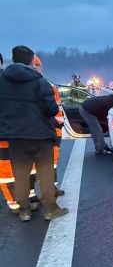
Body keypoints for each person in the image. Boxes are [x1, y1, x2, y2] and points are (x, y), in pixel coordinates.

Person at [0, 45, 68, 221]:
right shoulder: (39, 82)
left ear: (13, 60)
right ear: (31, 62)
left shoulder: (2, 82)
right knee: (45, 172)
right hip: (40, 135)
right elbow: (52, 109)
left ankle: (24, 210)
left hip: (15, 137)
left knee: (20, 174)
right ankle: (51, 208)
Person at [31, 55, 65, 196]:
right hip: (45, 130)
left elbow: (56, 108)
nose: (35, 67)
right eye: (33, 64)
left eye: (37, 65)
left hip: (42, 130)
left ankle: (45, 190)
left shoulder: (48, 85)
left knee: (49, 162)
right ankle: (41, 193)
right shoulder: (47, 85)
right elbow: (54, 110)